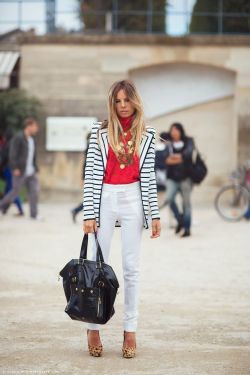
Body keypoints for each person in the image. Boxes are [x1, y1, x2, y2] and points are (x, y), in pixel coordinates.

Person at [83, 80, 161, 358]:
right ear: (112, 103)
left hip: (133, 199)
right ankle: (93, 327)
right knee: (96, 264)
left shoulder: (148, 134)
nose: (123, 106)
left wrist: (154, 214)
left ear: (135, 101)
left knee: (131, 268)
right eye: (118, 101)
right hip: (104, 197)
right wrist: (89, 212)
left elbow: (149, 177)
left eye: (127, 100)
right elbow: (91, 173)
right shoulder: (100, 132)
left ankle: (130, 330)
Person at [0, 118, 41, 220]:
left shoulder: (32, 140)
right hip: (20, 171)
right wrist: (15, 168)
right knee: (14, 192)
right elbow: (12, 154)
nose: (37, 129)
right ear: (29, 126)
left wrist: (35, 167)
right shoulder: (18, 137)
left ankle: (34, 214)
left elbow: (33, 156)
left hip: (31, 171)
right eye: (35, 126)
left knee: (34, 192)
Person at [165, 122, 194, 237]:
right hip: (172, 178)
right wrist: (181, 157)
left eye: (176, 130)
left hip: (186, 178)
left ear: (181, 131)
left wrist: (176, 157)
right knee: (169, 199)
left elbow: (188, 155)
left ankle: (187, 228)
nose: (174, 132)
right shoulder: (169, 144)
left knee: (186, 204)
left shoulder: (188, 141)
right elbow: (166, 160)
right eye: (172, 130)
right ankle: (179, 219)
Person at [0, 128, 24, 216]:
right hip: (12, 169)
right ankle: (4, 209)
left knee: (12, 191)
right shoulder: (14, 144)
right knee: (7, 190)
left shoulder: (7, 145)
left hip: (8, 169)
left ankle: (20, 209)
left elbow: (4, 158)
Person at [70, 132, 91, 223]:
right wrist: (83, 178)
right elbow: (85, 164)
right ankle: (76, 210)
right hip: (92, 176)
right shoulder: (90, 148)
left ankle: (75, 210)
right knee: (93, 199)